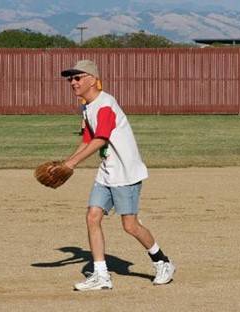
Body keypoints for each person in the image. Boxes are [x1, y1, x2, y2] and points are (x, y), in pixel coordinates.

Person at [61, 60, 175, 291]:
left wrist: (72, 164)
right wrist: (65, 163)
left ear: (92, 79)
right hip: (106, 172)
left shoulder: (105, 104)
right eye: (70, 79)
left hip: (125, 172)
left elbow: (101, 138)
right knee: (93, 217)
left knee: (130, 225)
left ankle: (162, 261)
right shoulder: (87, 107)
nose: (72, 82)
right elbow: (87, 140)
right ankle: (101, 276)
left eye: (77, 77)